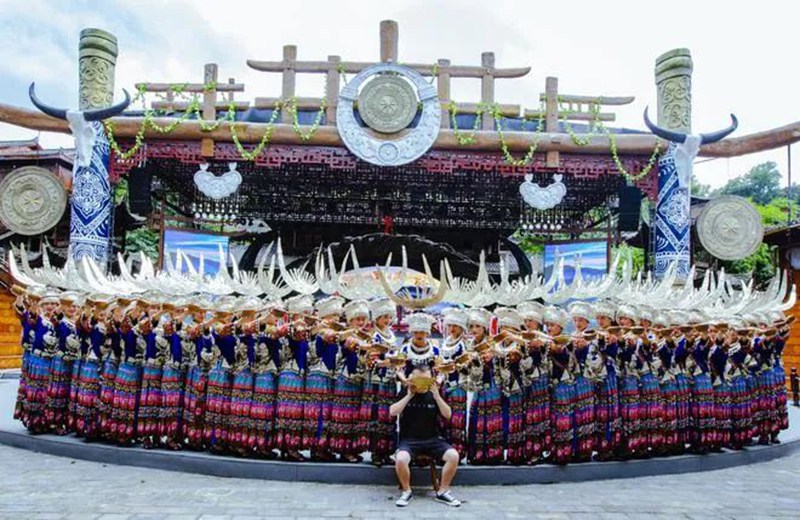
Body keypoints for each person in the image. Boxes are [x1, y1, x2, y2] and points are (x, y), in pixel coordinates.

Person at [391, 365, 461, 508]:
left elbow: (448, 414)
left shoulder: (434, 392)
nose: (422, 383)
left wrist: (437, 395)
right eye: (418, 380)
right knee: (401, 458)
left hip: (432, 439)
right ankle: (406, 491)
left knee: (453, 455)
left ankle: (443, 491)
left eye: (426, 380)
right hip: (409, 440)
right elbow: (393, 411)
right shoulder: (406, 391)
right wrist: (409, 395)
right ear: (411, 378)